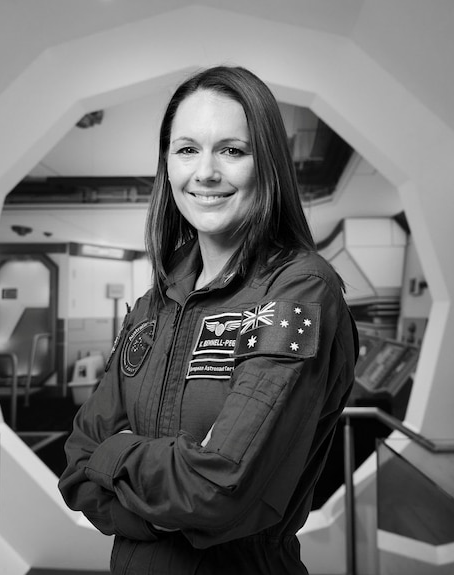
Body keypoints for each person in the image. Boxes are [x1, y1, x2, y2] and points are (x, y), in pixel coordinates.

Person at [58, 65, 358, 574]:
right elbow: (76, 465)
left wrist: (117, 459)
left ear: (267, 165)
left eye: (233, 150)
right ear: (168, 163)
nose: (206, 173)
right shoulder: (159, 295)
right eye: (187, 149)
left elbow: (218, 489)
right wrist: (167, 502)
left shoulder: (299, 291)